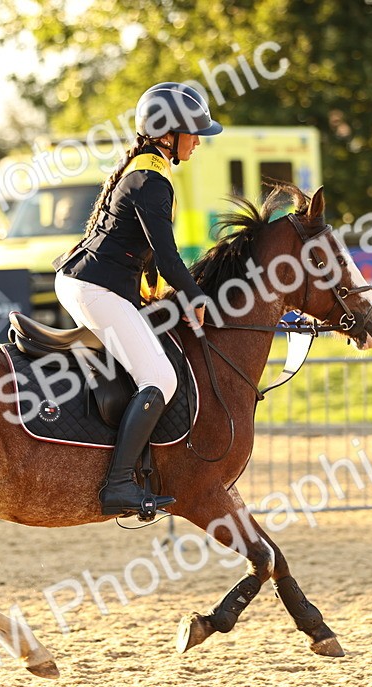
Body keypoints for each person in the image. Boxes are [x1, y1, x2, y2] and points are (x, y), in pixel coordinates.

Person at [53, 82, 222, 517]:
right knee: (161, 380)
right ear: (169, 134)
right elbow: (167, 258)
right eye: (194, 133)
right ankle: (119, 485)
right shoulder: (150, 180)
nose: (199, 142)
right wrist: (198, 297)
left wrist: (168, 297)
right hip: (95, 288)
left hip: (96, 283)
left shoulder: (147, 171)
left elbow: (148, 262)